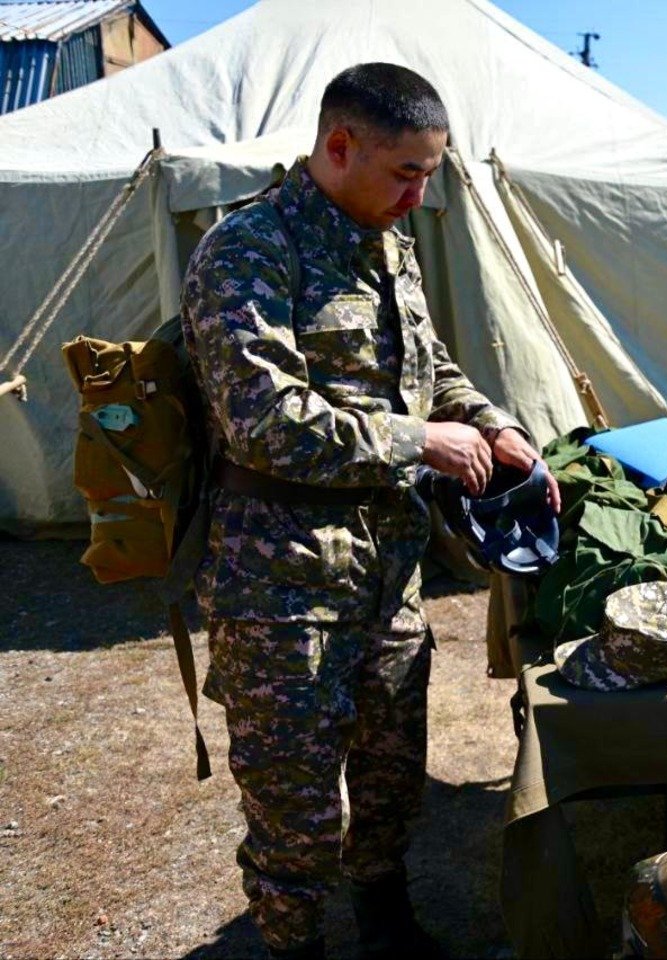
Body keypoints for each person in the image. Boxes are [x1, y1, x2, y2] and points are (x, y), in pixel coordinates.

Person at [182, 63, 559, 960]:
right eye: (406, 173)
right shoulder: (248, 251)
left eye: (432, 173)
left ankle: (388, 927)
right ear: (338, 146)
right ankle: (294, 947)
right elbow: (260, 420)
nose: (421, 195)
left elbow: (431, 370)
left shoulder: (391, 245)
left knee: (390, 781)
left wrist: (493, 424)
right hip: (281, 586)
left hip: (386, 573)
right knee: (296, 810)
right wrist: (415, 442)